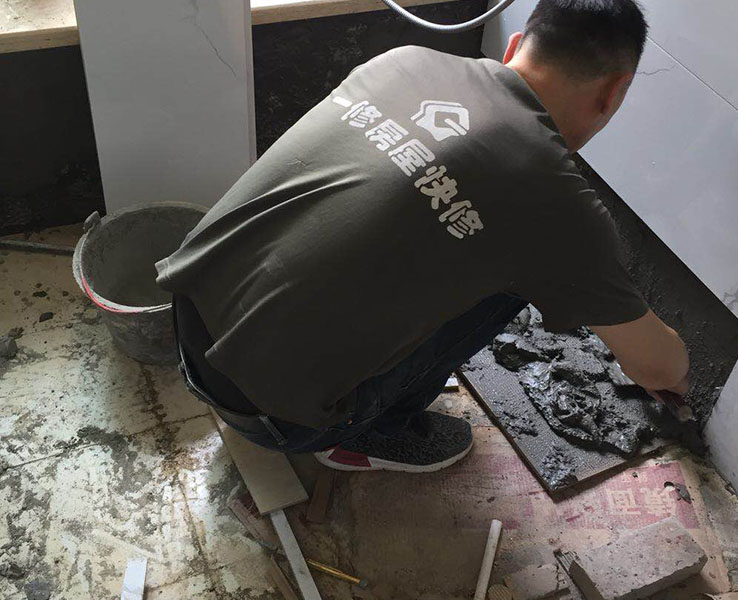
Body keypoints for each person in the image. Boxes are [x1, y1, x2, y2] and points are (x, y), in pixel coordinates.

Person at [156, 0, 689, 473]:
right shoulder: (553, 195)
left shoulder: (405, 60)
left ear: (513, 47)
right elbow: (657, 367)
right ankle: (371, 436)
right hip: (272, 418)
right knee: (512, 283)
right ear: (614, 91)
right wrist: (679, 375)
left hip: (185, 320)